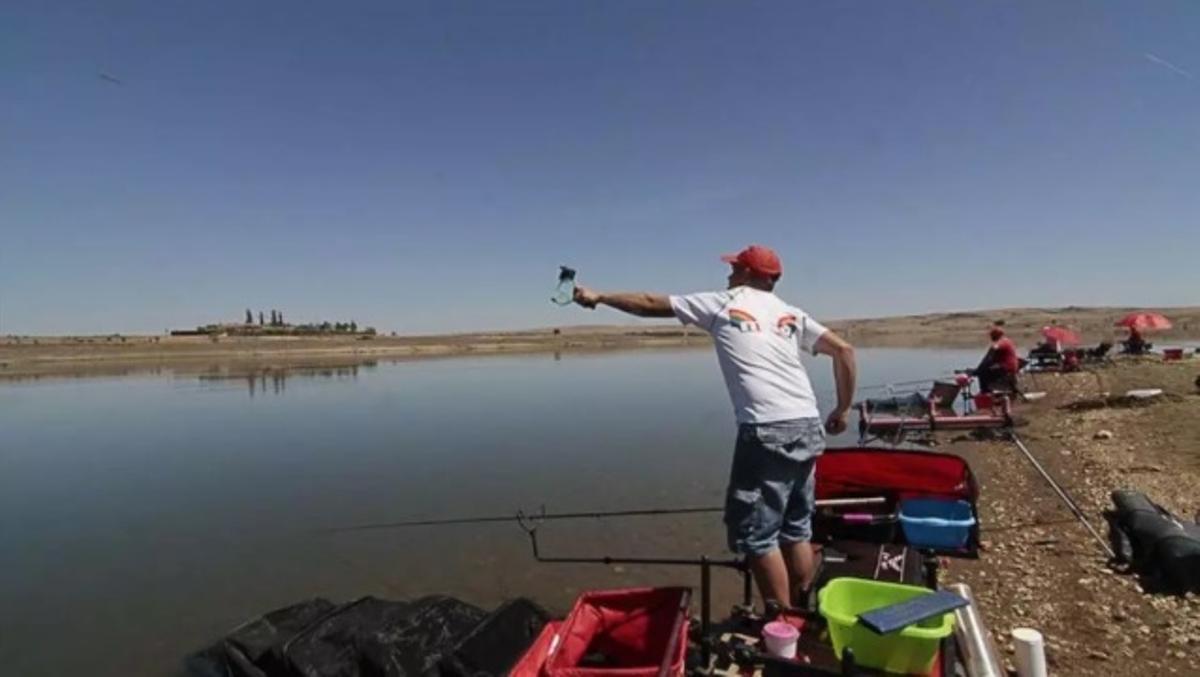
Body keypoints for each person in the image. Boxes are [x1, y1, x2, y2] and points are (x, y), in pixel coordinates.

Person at [572, 244, 857, 608]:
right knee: (796, 529)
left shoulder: (724, 303)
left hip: (767, 429)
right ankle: (803, 611)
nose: (729, 273)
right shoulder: (790, 313)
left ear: (749, 273)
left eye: (735, 267)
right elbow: (845, 351)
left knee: (757, 537)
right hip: (807, 424)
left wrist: (599, 297)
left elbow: (649, 303)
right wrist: (843, 410)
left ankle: (782, 622)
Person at [975, 326, 1020, 393]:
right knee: (984, 369)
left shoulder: (1002, 341)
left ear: (995, 335)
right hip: (1007, 366)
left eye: (992, 335)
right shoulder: (1007, 341)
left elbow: (995, 347)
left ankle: (985, 392)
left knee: (983, 373)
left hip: (1006, 367)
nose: (991, 337)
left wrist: (980, 369)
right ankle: (988, 390)